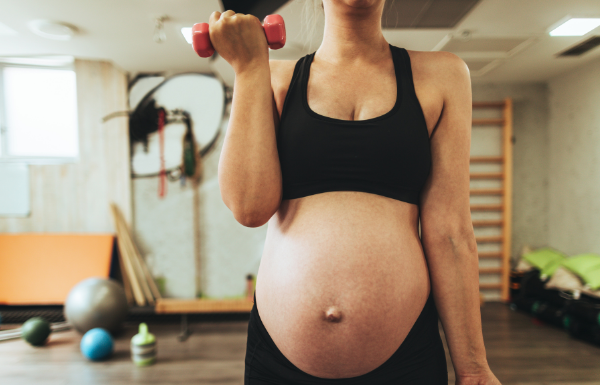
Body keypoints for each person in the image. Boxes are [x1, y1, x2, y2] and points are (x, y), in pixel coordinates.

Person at [213, 0, 501, 384]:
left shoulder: (442, 75)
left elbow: (450, 232)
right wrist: (249, 69)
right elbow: (249, 207)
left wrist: (474, 368)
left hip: (406, 359)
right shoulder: (273, 77)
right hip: (278, 365)